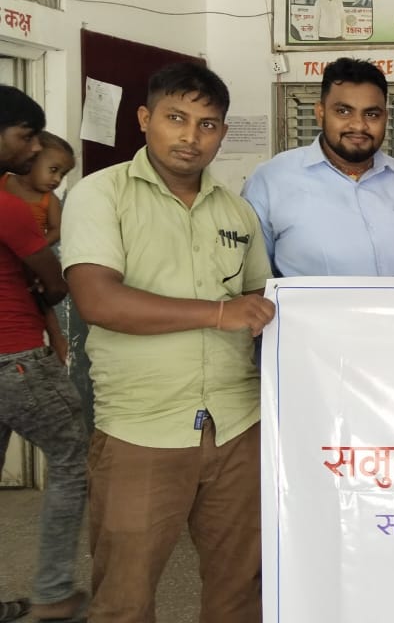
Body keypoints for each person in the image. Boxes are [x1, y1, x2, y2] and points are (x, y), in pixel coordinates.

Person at [61, 62, 276, 623]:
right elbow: (98, 301)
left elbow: (259, 296)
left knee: (241, 593)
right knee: (124, 600)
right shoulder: (100, 194)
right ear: (144, 118)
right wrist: (220, 313)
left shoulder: (236, 210)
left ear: (222, 132)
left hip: (236, 426)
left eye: (207, 124)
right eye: (176, 118)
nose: (190, 136)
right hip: (141, 427)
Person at [0, 86, 88, 623]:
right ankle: (54, 594)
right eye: (26, 136)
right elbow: (53, 283)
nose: (34, 149)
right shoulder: (9, 209)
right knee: (73, 458)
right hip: (16, 358)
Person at [243, 57, 394, 276]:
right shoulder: (271, 180)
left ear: (385, 117)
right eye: (343, 111)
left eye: (371, 114)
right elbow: (253, 278)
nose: (358, 125)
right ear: (320, 113)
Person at [2, 132, 74, 361]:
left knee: (38, 295)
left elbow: (57, 229)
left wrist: (35, 245)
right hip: (7, 256)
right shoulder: (4, 183)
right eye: (53, 170)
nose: (57, 179)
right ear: (32, 160)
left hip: (32, 258)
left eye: (62, 174)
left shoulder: (48, 199)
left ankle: (56, 338)